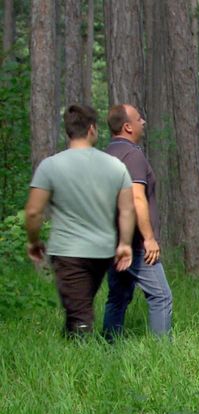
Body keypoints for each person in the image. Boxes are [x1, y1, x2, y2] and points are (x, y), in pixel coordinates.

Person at [25, 104, 135, 337]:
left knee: (80, 316)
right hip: (102, 251)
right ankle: (71, 355)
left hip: (67, 252)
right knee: (78, 308)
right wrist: (124, 244)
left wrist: (33, 242)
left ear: (68, 132)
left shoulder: (50, 166)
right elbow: (127, 210)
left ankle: (85, 367)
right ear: (92, 129)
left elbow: (33, 212)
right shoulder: (116, 167)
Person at [102, 104, 173, 339]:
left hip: (112, 241)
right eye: (139, 119)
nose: (143, 122)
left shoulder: (106, 155)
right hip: (135, 244)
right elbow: (136, 197)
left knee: (118, 296)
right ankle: (161, 358)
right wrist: (149, 238)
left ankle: (108, 348)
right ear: (127, 127)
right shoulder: (132, 155)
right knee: (161, 296)